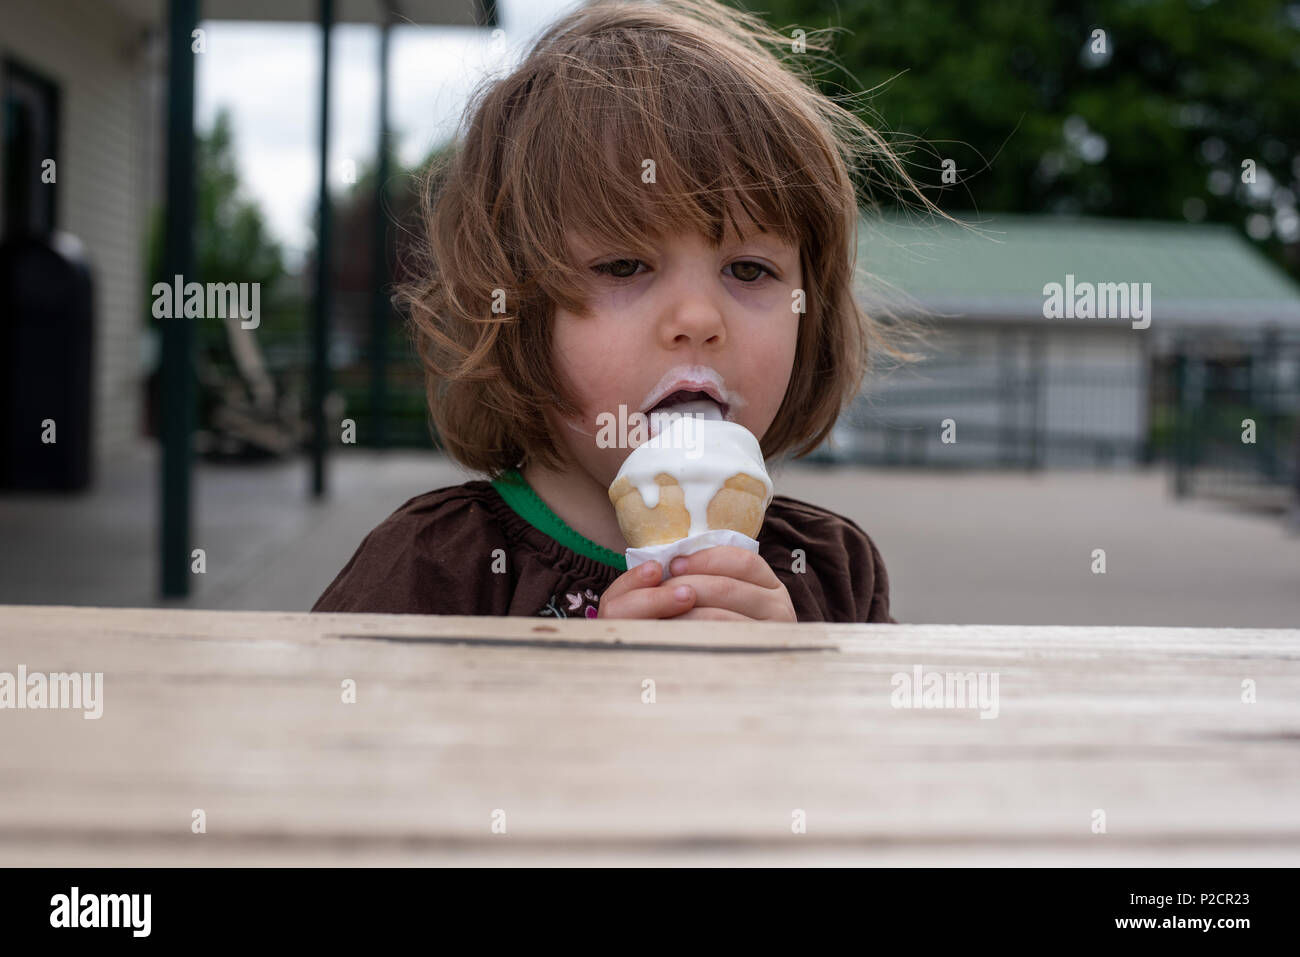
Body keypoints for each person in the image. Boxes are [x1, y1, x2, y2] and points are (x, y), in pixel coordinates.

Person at [312, 0, 937, 621]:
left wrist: (793, 681)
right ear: (513, 307)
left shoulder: (828, 574)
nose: (697, 319)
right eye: (623, 266)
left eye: (749, 270)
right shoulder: (431, 570)